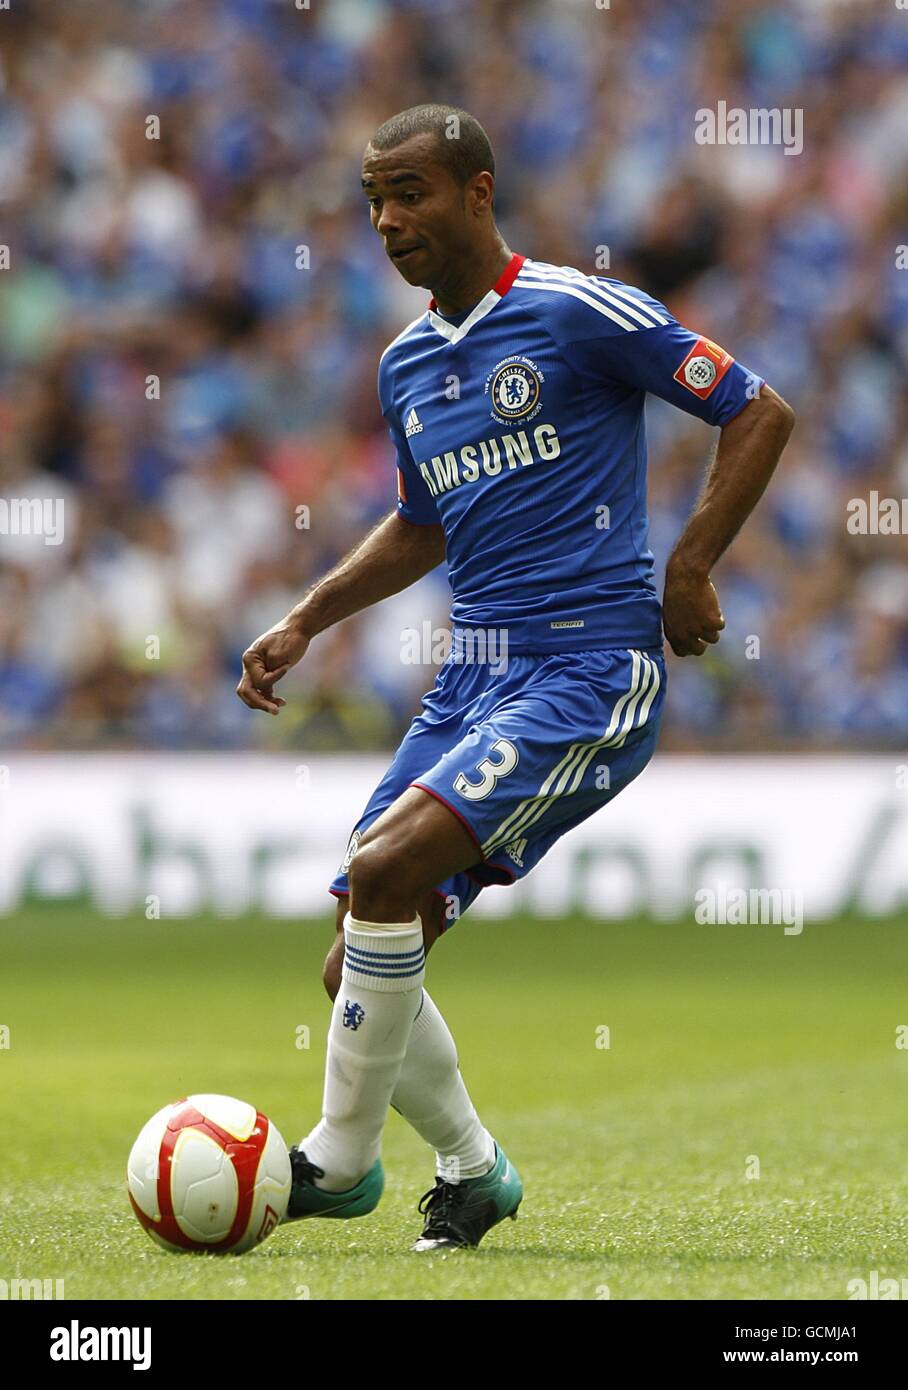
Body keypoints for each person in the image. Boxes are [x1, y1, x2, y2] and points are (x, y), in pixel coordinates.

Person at [236, 104, 795, 1251]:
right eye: (374, 202)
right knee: (356, 952)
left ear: (476, 193)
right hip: (470, 681)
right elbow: (418, 523)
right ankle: (472, 1169)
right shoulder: (405, 365)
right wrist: (306, 617)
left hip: (588, 672)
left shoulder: (578, 311)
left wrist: (688, 565)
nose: (389, 221)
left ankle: (338, 1165)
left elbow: (755, 410)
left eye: (411, 195)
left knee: (383, 866)